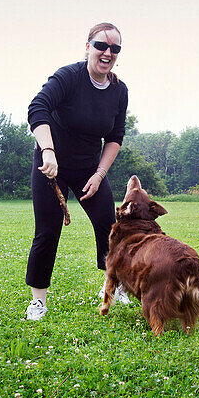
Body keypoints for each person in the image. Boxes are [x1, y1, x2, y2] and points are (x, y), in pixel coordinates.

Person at [24, 22, 130, 320]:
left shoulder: (119, 91)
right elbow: (38, 108)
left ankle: (112, 286)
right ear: (88, 47)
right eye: (101, 45)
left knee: (110, 228)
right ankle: (38, 301)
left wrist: (99, 174)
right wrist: (48, 151)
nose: (107, 52)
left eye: (115, 48)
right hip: (51, 166)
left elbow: (115, 137)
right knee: (48, 230)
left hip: (88, 168)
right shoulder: (68, 77)